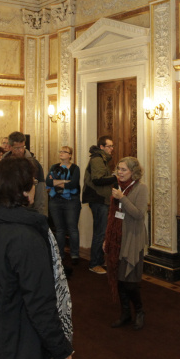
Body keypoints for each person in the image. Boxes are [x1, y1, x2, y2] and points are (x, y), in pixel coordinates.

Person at [0, 157, 74, 359]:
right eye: (33, 183)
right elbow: (39, 302)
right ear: (24, 191)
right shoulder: (28, 238)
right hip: (21, 348)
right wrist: (60, 349)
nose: (35, 188)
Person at [104, 157, 149, 330]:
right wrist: (107, 239)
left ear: (133, 172)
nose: (119, 173)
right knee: (119, 279)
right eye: (118, 169)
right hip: (116, 240)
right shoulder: (117, 188)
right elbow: (112, 216)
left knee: (130, 281)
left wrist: (122, 198)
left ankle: (139, 311)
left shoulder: (140, 188)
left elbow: (138, 214)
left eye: (123, 170)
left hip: (132, 239)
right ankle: (125, 314)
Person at [82, 135, 116, 275]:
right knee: (100, 232)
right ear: (101, 147)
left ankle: (99, 260)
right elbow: (98, 180)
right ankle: (94, 263)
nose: (111, 149)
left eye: (112, 146)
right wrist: (115, 177)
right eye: (109, 146)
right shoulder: (97, 159)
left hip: (102, 200)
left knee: (102, 231)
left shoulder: (102, 159)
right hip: (99, 200)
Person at [46, 146, 82, 265]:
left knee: (72, 229)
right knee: (59, 230)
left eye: (64, 152)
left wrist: (57, 182)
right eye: (60, 151)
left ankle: (75, 254)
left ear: (70, 155)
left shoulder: (75, 168)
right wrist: (64, 182)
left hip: (71, 201)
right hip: (55, 200)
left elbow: (73, 185)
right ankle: (60, 254)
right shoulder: (54, 167)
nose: (61, 153)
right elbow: (48, 182)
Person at [4, 131, 46, 216]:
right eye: (17, 148)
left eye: (22, 147)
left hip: (27, 210)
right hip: (7, 208)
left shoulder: (34, 164)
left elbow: (40, 194)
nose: (21, 150)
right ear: (10, 147)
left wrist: (39, 215)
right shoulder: (3, 163)